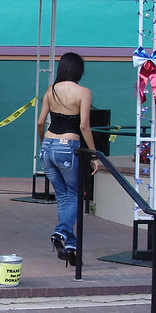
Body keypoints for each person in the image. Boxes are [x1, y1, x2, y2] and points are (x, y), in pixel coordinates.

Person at [37, 52, 100, 267]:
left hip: (48, 146)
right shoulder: (83, 92)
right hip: (68, 147)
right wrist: (94, 155)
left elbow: (40, 122)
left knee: (63, 198)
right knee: (74, 195)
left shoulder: (51, 91)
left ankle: (70, 246)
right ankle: (61, 233)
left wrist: (43, 143)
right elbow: (83, 125)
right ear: (78, 71)